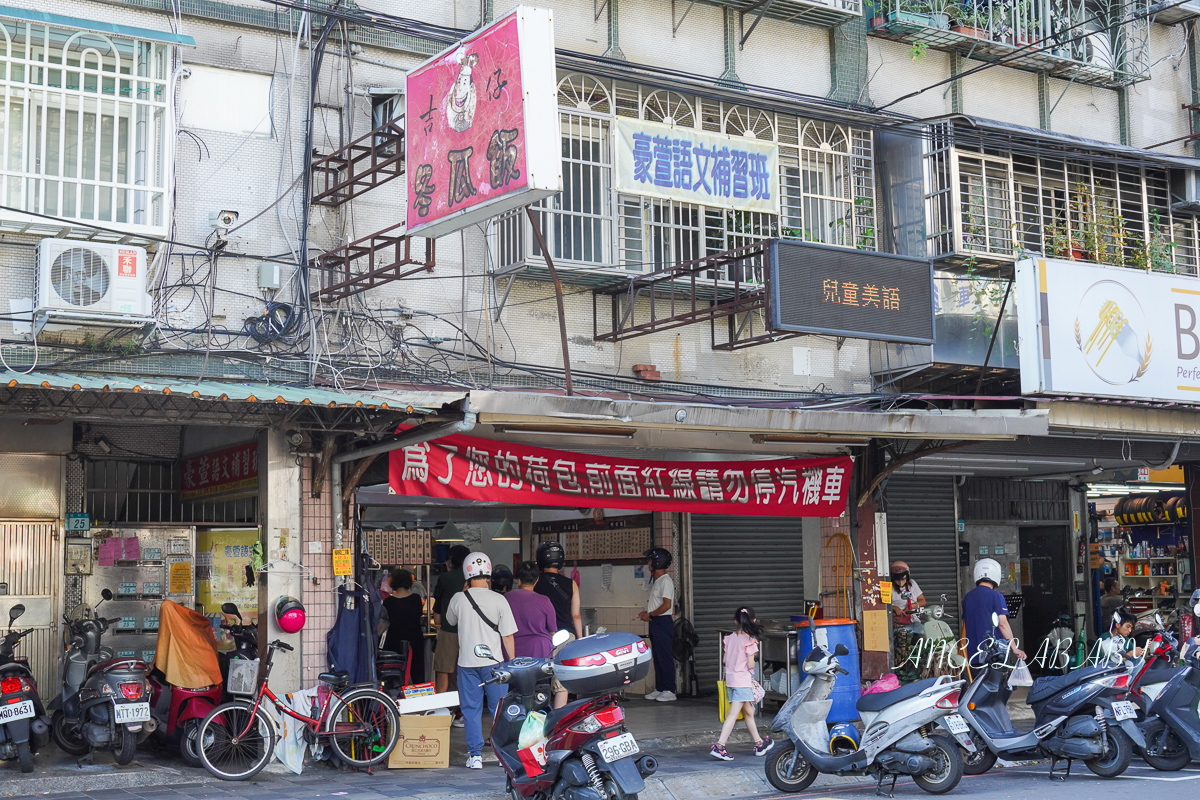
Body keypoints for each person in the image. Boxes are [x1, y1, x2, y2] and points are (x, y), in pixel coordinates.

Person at [444, 551, 517, 770]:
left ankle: (475, 756)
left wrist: (463, 593)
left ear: (466, 573)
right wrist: (512, 663)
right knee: (498, 709)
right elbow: (508, 636)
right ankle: (502, 754)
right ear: (488, 573)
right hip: (494, 664)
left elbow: (449, 620)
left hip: (467, 664)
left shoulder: (459, 598)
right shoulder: (499, 599)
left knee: (470, 709)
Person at [711, 607, 773, 761]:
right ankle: (720, 746)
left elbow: (725, 660)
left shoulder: (729, 638)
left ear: (735, 621)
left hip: (731, 680)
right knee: (733, 715)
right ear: (753, 621)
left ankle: (759, 743)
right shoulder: (750, 641)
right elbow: (751, 665)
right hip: (742, 682)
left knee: (749, 712)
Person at [534, 541, 583, 708]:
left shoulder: (535, 582)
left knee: (539, 679)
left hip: (542, 636)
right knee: (561, 684)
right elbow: (575, 615)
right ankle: (557, 722)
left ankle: (538, 717)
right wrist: (580, 640)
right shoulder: (571, 584)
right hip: (566, 636)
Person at [962, 558, 1025, 668]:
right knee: (998, 684)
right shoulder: (996, 596)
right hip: (994, 654)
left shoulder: (967, 597)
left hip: (973, 654)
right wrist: (1014, 648)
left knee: (979, 683)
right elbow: (1002, 624)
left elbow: (965, 625)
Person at [638, 547, 677, 702]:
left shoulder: (666, 581)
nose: (648, 563)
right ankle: (660, 688)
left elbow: (667, 605)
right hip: (656, 621)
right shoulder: (658, 581)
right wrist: (646, 613)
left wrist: (651, 614)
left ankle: (669, 690)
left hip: (663, 622)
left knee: (665, 656)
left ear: (657, 562)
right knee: (658, 657)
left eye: (650, 560)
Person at [433, 545, 470, 696]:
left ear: (451, 560)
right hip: (470, 634)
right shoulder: (473, 579)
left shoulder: (445, 578)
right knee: (465, 674)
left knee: (443, 671)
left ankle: (443, 710)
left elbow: (437, 617)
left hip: (449, 631)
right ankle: (462, 710)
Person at [380, 568, 426, 684]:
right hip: (415, 640)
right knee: (417, 672)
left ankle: (395, 697)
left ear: (393, 583)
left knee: (395, 672)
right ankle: (420, 697)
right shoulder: (416, 599)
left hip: (395, 640)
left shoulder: (388, 602)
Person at [506, 561, 557, 658]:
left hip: (512, 652)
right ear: (537, 580)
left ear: (518, 580)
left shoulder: (506, 598)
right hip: (540, 651)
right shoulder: (544, 601)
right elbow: (552, 631)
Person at [890, 560, 926, 625]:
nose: (900, 581)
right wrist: (894, 608)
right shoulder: (889, 587)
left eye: (903, 579)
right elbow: (883, 605)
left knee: (921, 632)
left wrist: (910, 606)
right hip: (896, 621)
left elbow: (922, 601)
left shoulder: (912, 583)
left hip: (913, 619)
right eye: (897, 579)